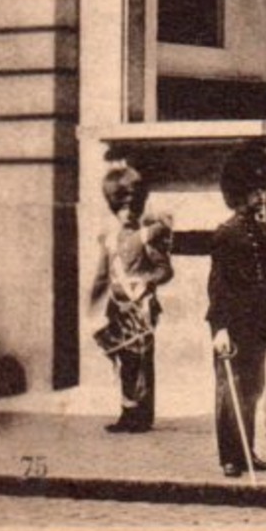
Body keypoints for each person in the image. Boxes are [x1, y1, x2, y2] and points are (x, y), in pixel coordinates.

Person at [207, 144, 266, 478]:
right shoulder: (226, 234)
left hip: (258, 325)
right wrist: (219, 328)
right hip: (232, 325)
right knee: (229, 390)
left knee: (252, 389)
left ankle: (248, 449)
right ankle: (230, 457)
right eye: (255, 192)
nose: (262, 197)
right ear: (240, 195)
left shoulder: (263, 232)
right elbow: (218, 286)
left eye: (262, 190)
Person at [91, 164, 172, 434]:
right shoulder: (109, 238)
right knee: (124, 361)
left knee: (141, 361)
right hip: (118, 308)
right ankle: (127, 412)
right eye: (121, 207)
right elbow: (102, 275)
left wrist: (148, 281)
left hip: (142, 308)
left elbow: (164, 270)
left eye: (132, 207)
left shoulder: (147, 237)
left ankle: (143, 415)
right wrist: (92, 307)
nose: (127, 213)